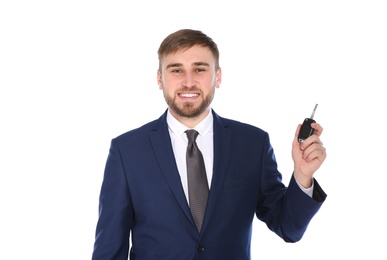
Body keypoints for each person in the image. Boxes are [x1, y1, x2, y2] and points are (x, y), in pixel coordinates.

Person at [91, 29, 327, 260]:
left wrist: (302, 176)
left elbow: (288, 228)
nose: (188, 82)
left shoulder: (252, 144)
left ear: (218, 76)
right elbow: (109, 249)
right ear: (160, 79)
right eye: (176, 70)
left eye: (200, 69)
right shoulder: (127, 150)